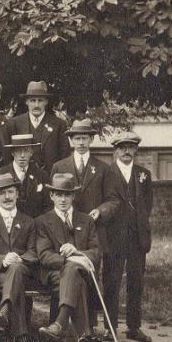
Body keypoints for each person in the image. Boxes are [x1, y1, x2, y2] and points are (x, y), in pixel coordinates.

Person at [51, 118, 110, 330]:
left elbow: (112, 199)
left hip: (90, 229)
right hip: (64, 227)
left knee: (90, 274)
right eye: (77, 138)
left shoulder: (102, 168)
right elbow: (55, 196)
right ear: (71, 141)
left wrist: (101, 210)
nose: (81, 142)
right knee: (65, 271)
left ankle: (90, 325)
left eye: (85, 138)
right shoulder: (59, 166)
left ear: (91, 139)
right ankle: (60, 321)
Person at [100, 131, 153, 342]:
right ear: (115, 150)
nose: (126, 152)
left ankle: (134, 327)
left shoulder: (144, 174)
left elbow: (147, 205)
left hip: (137, 237)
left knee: (136, 282)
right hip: (114, 237)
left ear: (136, 150)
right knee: (111, 282)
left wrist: (139, 226)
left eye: (131, 147)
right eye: (122, 147)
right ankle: (110, 327)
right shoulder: (107, 173)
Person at [34, 173, 99, 342]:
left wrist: (77, 252)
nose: (63, 199)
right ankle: (83, 335)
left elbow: (96, 251)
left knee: (76, 276)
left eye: (67, 194)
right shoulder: (42, 222)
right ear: (51, 196)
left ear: (73, 196)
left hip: (82, 272)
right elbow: (44, 255)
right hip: (54, 273)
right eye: (59, 195)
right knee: (75, 276)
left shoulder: (86, 220)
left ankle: (60, 325)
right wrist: (70, 260)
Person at [0, 174, 37, 342]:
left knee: (16, 270)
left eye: (11, 192)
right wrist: (3, 259)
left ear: (17, 194)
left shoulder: (28, 221)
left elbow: (33, 252)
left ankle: (5, 311)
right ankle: (21, 336)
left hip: (22, 269)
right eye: (3, 193)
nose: (7, 197)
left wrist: (19, 258)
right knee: (14, 278)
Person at [7, 80, 70, 172]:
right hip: (23, 179)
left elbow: (64, 157)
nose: (36, 105)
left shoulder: (58, 124)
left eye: (40, 100)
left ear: (46, 102)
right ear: (26, 102)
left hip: (50, 179)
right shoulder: (14, 123)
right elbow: (9, 154)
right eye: (33, 101)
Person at [0, 134, 50, 219]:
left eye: (26, 151)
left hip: (36, 225)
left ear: (31, 152)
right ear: (12, 152)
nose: (22, 155)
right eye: (18, 151)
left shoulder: (42, 175)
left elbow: (48, 205)